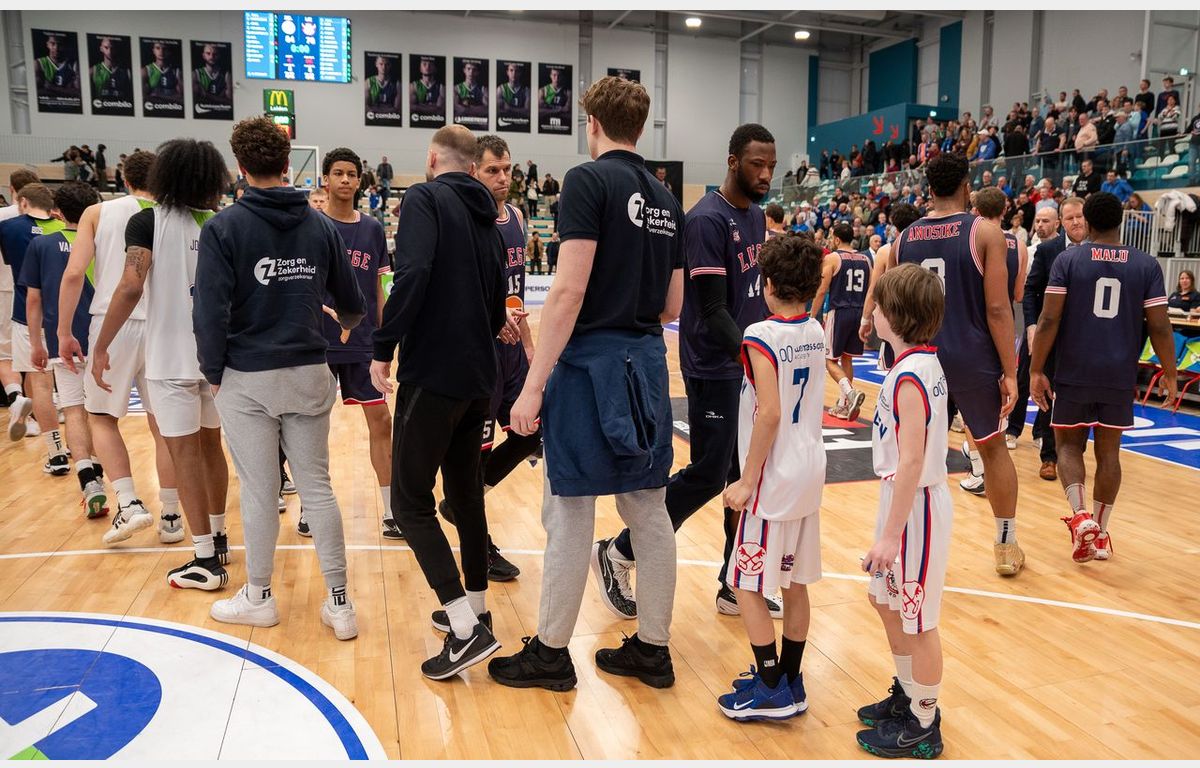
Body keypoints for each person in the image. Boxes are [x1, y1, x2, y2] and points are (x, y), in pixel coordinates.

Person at [489, 76, 683, 691]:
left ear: (592, 123)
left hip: (590, 365)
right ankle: (653, 649)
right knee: (649, 510)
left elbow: (568, 290)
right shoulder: (666, 196)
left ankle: (551, 653)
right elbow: (673, 305)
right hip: (645, 363)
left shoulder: (587, 180)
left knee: (569, 508)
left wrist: (532, 385)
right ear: (640, 127)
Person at [589, 123, 771, 624]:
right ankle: (619, 550)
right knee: (710, 473)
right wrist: (757, 356)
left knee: (745, 476)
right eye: (757, 164)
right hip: (715, 364)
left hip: (745, 364)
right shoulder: (706, 220)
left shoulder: (756, 217)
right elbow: (712, 308)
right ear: (732, 161)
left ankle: (735, 581)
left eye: (771, 166)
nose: (765, 174)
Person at [196, 117, 365, 638]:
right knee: (318, 488)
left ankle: (259, 597)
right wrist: (337, 323)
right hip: (310, 369)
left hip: (248, 374)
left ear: (239, 167)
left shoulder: (223, 228)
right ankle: (341, 605)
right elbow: (353, 303)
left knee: (260, 490)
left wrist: (213, 372)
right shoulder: (321, 226)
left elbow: (209, 312)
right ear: (289, 163)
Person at [369, 125, 515, 681]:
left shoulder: (423, 198)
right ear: (474, 166)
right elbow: (497, 305)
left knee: (409, 503)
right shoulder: (490, 218)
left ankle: (462, 627)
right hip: (479, 378)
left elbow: (412, 274)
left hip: (433, 373)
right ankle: (476, 607)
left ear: (432, 158)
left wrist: (383, 347)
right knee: (465, 495)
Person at [92, 138, 230, 591]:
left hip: (170, 358)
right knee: (212, 447)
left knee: (183, 452)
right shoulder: (222, 222)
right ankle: (221, 537)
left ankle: (205, 558)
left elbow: (130, 286)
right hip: (218, 359)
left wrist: (102, 344)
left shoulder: (147, 220)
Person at [891, 153, 1023, 577]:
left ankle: (905, 541)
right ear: (967, 187)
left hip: (920, 357)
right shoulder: (985, 231)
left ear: (929, 189)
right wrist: (1010, 371)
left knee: (911, 454)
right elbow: (999, 309)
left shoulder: (904, 238)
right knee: (992, 447)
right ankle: (1005, 544)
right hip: (971, 356)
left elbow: (895, 307)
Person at [1030, 192, 1176, 564]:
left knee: (1068, 446)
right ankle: (1100, 535)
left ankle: (1081, 518)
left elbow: (1048, 319)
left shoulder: (1068, 260)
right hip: (1119, 373)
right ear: (1120, 222)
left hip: (1074, 370)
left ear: (1088, 223)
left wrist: (1035, 369)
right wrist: (1170, 374)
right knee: (1109, 452)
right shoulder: (1146, 265)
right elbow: (1160, 326)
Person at [714, 235, 826, 721]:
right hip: (809, 469)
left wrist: (746, 480)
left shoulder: (760, 334)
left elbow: (771, 412)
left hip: (774, 475)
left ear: (768, 283)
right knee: (795, 582)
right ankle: (789, 679)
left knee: (745, 583)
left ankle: (768, 685)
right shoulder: (816, 329)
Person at [55, 150, 183, 545]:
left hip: (114, 322)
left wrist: (64, 331)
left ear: (124, 180)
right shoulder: (175, 214)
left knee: (101, 417)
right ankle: (172, 515)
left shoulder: (97, 212)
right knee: (164, 425)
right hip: (164, 326)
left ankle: (128, 503)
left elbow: (74, 273)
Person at [855, 263, 951, 760]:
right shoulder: (914, 364)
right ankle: (909, 693)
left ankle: (925, 722)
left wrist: (891, 535)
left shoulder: (911, 376)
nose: (872, 312)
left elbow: (912, 460)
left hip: (917, 507)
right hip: (902, 498)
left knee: (918, 618)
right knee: (885, 601)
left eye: (879, 306)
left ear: (895, 316)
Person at [434, 134, 534, 585]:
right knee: (474, 455)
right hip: (479, 351)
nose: (503, 177)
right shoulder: (467, 219)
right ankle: (481, 543)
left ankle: (461, 502)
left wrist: (529, 346)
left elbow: (517, 290)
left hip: (513, 351)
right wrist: (492, 321)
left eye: (507, 169)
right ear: (473, 170)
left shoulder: (517, 218)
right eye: (493, 170)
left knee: (533, 432)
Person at [21, 182, 105, 517]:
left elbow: (33, 300)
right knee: (100, 414)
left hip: (63, 339)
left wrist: (36, 342)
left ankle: (88, 480)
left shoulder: (41, 244)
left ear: (58, 211)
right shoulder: (104, 240)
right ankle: (102, 471)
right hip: (104, 339)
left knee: (72, 409)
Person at [0, 183, 67, 460]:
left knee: (39, 382)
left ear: (23, 201)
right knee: (72, 388)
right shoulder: (65, 230)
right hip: (65, 316)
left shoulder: (8, 228)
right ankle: (85, 454)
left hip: (27, 315)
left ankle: (56, 453)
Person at [1022, 197, 1085, 482]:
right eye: (1070, 217)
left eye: (1079, 216)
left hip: (1085, 336)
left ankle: (1076, 452)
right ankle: (1049, 456)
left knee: (1080, 396)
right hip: (1051, 334)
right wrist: (1032, 325)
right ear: (1062, 221)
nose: (1076, 222)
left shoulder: (1098, 250)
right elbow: (1030, 290)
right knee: (1048, 393)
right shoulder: (1048, 250)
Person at [1006, 205, 1059, 454]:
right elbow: (1027, 291)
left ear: (1057, 223)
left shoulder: (1064, 250)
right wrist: (1030, 325)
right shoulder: (1028, 251)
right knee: (1024, 377)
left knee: (1051, 380)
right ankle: (1013, 429)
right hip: (1035, 323)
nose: (1040, 225)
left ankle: (1041, 431)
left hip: (1057, 325)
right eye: (1037, 221)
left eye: (1045, 221)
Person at [812, 221, 871, 421]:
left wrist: (812, 316)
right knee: (847, 359)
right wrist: (868, 316)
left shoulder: (832, 258)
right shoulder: (866, 259)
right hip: (859, 311)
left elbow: (822, 290)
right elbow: (870, 289)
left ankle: (850, 393)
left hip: (840, 312)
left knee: (829, 360)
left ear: (837, 239)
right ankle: (844, 404)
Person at [0, 169, 40, 436]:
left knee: (4, 355)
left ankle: (16, 398)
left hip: (4, 291)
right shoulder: (45, 216)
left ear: (12, 189)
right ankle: (41, 411)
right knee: (34, 358)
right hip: (35, 293)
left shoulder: (3, 217)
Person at [859, 203, 922, 369]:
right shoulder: (927, 246)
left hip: (896, 317)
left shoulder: (886, 250)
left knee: (894, 370)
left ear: (894, 225)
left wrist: (865, 319)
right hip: (923, 315)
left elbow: (874, 289)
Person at [90, 36, 130, 102]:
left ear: (116, 49)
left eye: (112, 48)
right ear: (101, 49)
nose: (109, 51)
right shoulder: (93, 70)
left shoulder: (126, 71)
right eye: (106, 47)